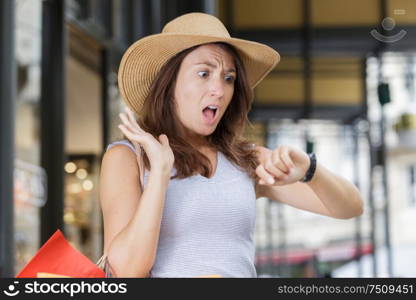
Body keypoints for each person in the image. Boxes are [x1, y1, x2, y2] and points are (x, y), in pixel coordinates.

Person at [98, 12, 363, 278]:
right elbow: (126, 271)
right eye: (204, 73)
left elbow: (351, 206)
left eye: (229, 78)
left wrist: (309, 169)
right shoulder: (128, 157)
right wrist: (159, 174)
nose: (220, 90)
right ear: (169, 84)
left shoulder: (246, 160)